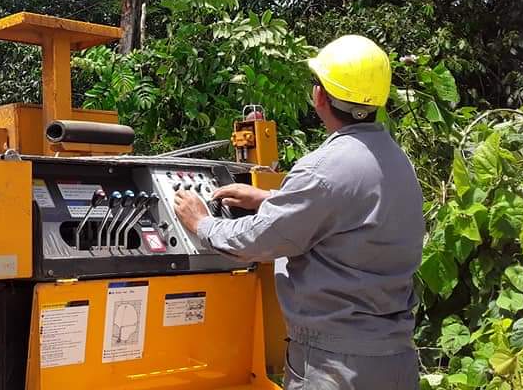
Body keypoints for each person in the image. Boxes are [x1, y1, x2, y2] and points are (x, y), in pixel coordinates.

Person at [173, 35, 424, 390]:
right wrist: (269, 198)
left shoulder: (323, 168)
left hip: (336, 366)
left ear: (319, 96)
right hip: (395, 360)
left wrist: (202, 222)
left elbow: (257, 241)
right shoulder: (399, 162)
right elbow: (346, 210)